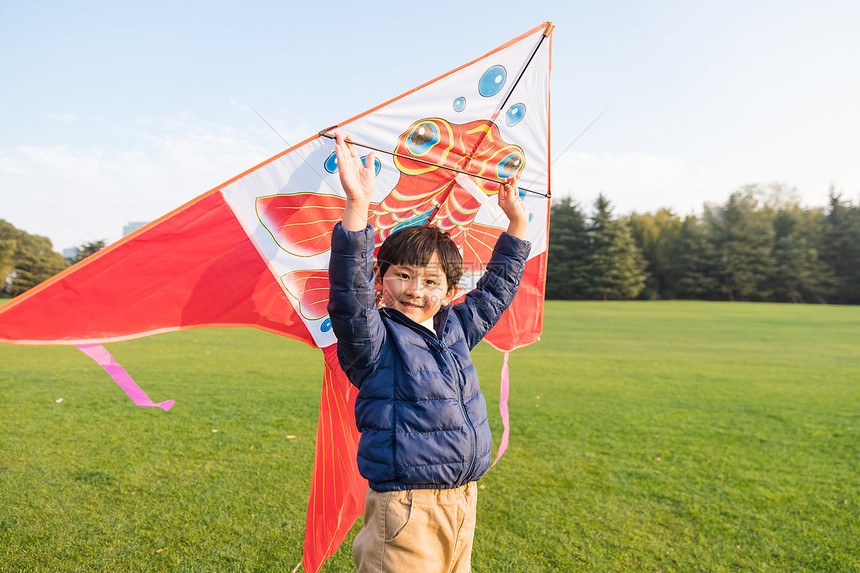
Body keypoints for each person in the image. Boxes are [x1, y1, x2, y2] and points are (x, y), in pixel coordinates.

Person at [327, 132, 531, 572]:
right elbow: (349, 295)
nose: (415, 290)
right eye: (402, 275)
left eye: (431, 281)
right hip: (404, 509)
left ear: (450, 289)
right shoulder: (373, 339)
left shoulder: (456, 327)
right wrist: (358, 205)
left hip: (462, 500)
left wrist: (516, 224)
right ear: (381, 280)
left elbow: (497, 288)